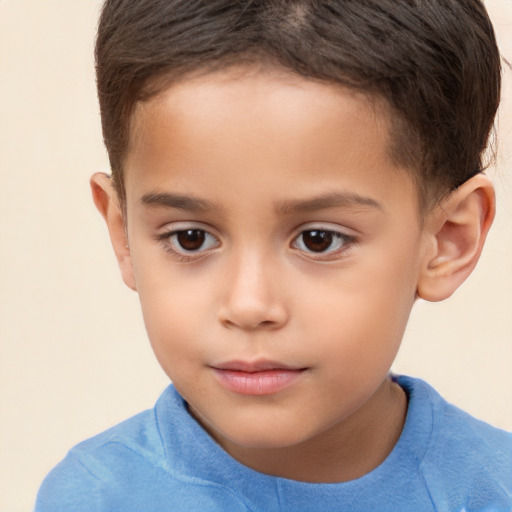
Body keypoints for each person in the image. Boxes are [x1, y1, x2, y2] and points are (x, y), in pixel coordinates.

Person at [34, 1, 512, 510]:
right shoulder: (94, 497)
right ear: (124, 231)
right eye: (191, 238)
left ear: (446, 241)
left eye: (318, 240)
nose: (248, 304)